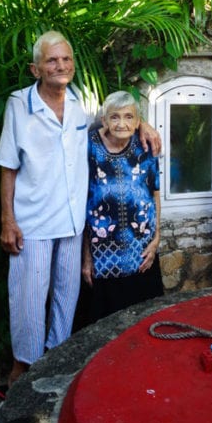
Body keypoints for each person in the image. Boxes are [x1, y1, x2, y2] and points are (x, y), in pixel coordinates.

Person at [0, 31, 160, 396]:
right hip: (32, 221)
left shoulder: (79, 105)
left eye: (66, 59)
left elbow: (117, 120)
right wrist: (8, 219)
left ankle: (54, 362)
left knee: (66, 297)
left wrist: (143, 123)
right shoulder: (19, 105)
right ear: (35, 68)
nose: (61, 66)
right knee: (28, 297)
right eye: (52, 60)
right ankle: (20, 372)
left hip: (72, 221)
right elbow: (7, 166)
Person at [82, 91, 164, 321]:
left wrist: (156, 238)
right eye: (115, 117)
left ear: (138, 122)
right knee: (105, 324)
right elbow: (84, 202)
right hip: (103, 255)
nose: (121, 123)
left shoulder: (146, 147)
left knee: (144, 320)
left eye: (129, 117)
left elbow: (154, 194)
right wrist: (86, 257)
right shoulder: (89, 147)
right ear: (104, 120)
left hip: (141, 252)